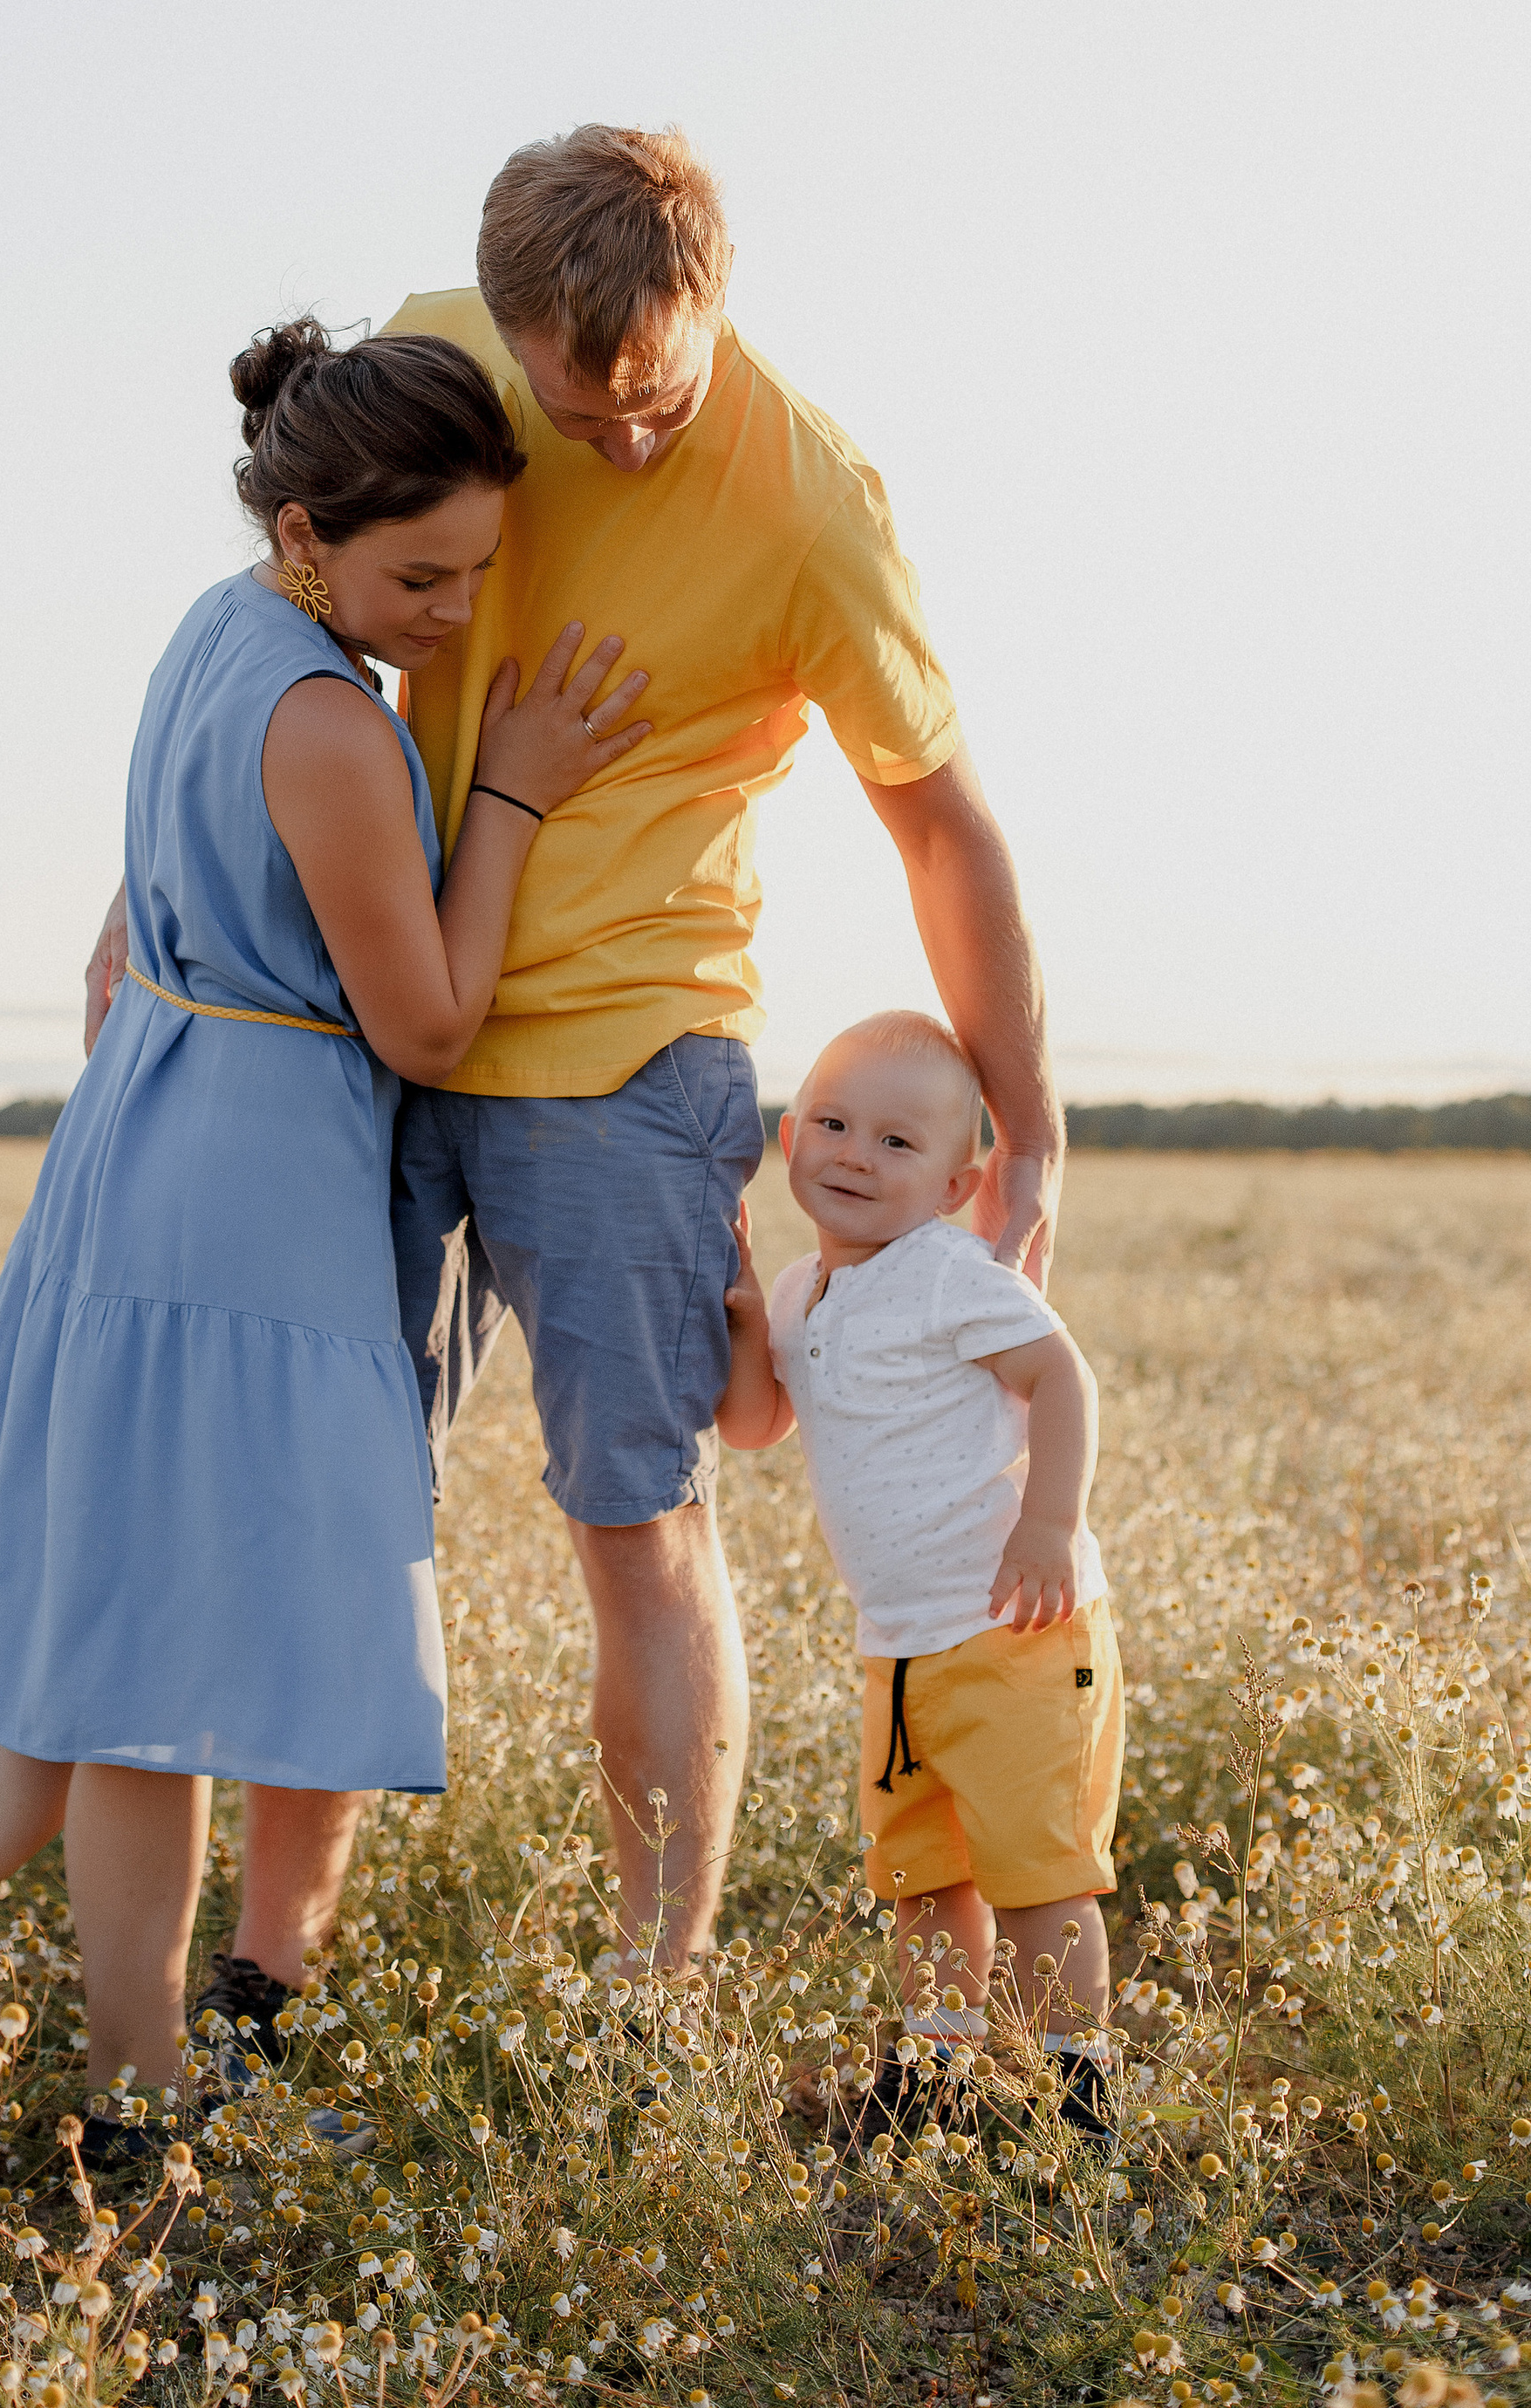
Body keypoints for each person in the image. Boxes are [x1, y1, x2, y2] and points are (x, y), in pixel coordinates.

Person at [90, 123, 1061, 1974]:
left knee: (636, 1526)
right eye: (574, 406)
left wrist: (1036, 1124)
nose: (616, 439)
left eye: (653, 400)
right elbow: (315, 609)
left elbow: (940, 820)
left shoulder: (808, 509)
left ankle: (647, 1993)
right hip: (364, 1044)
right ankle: (265, 1979)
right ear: (505, 328)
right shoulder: (440, 349)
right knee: (322, 1516)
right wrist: (148, 889)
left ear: (706, 305)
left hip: (624, 1070)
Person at [0, 318, 650, 2157]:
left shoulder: (216, 631)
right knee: (165, 1667)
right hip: (249, 1189)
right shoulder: (327, 715)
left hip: (147, 1134)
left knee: (104, 1625)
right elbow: (424, 1022)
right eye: (415, 574)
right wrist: (506, 790)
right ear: (305, 540)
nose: (447, 611)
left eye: (477, 575)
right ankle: (137, 2094)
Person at [716, 1009, 1117, 2134]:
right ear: (791, 1140)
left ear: (956, 1186)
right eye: (836, 1124)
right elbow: (754, 1425)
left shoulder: (949, 1273)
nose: (856, 1153)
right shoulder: (804, 1291)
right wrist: (747, 1307)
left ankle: (1071, 2091)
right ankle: (941, 2069)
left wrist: (1049, 1523)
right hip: (898, 1644)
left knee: (1038, 1874)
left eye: (899, 1143)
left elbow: (1063, 1378)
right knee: (924, 1874)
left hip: (1015, 1625)